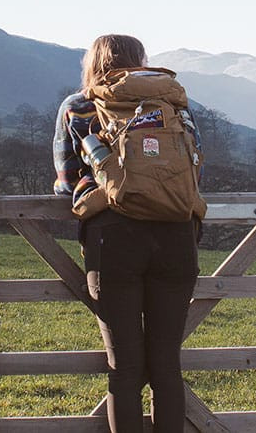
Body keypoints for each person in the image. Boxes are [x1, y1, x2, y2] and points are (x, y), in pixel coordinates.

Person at [53, 34, 202, 433]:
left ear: (92, 64)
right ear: (142, 61)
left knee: (126, 368)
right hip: (175, 237)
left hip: (113, 239)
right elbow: (192, 169)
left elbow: (67, 181)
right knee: (166, 364)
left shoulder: (79, 106)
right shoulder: (173, 103)